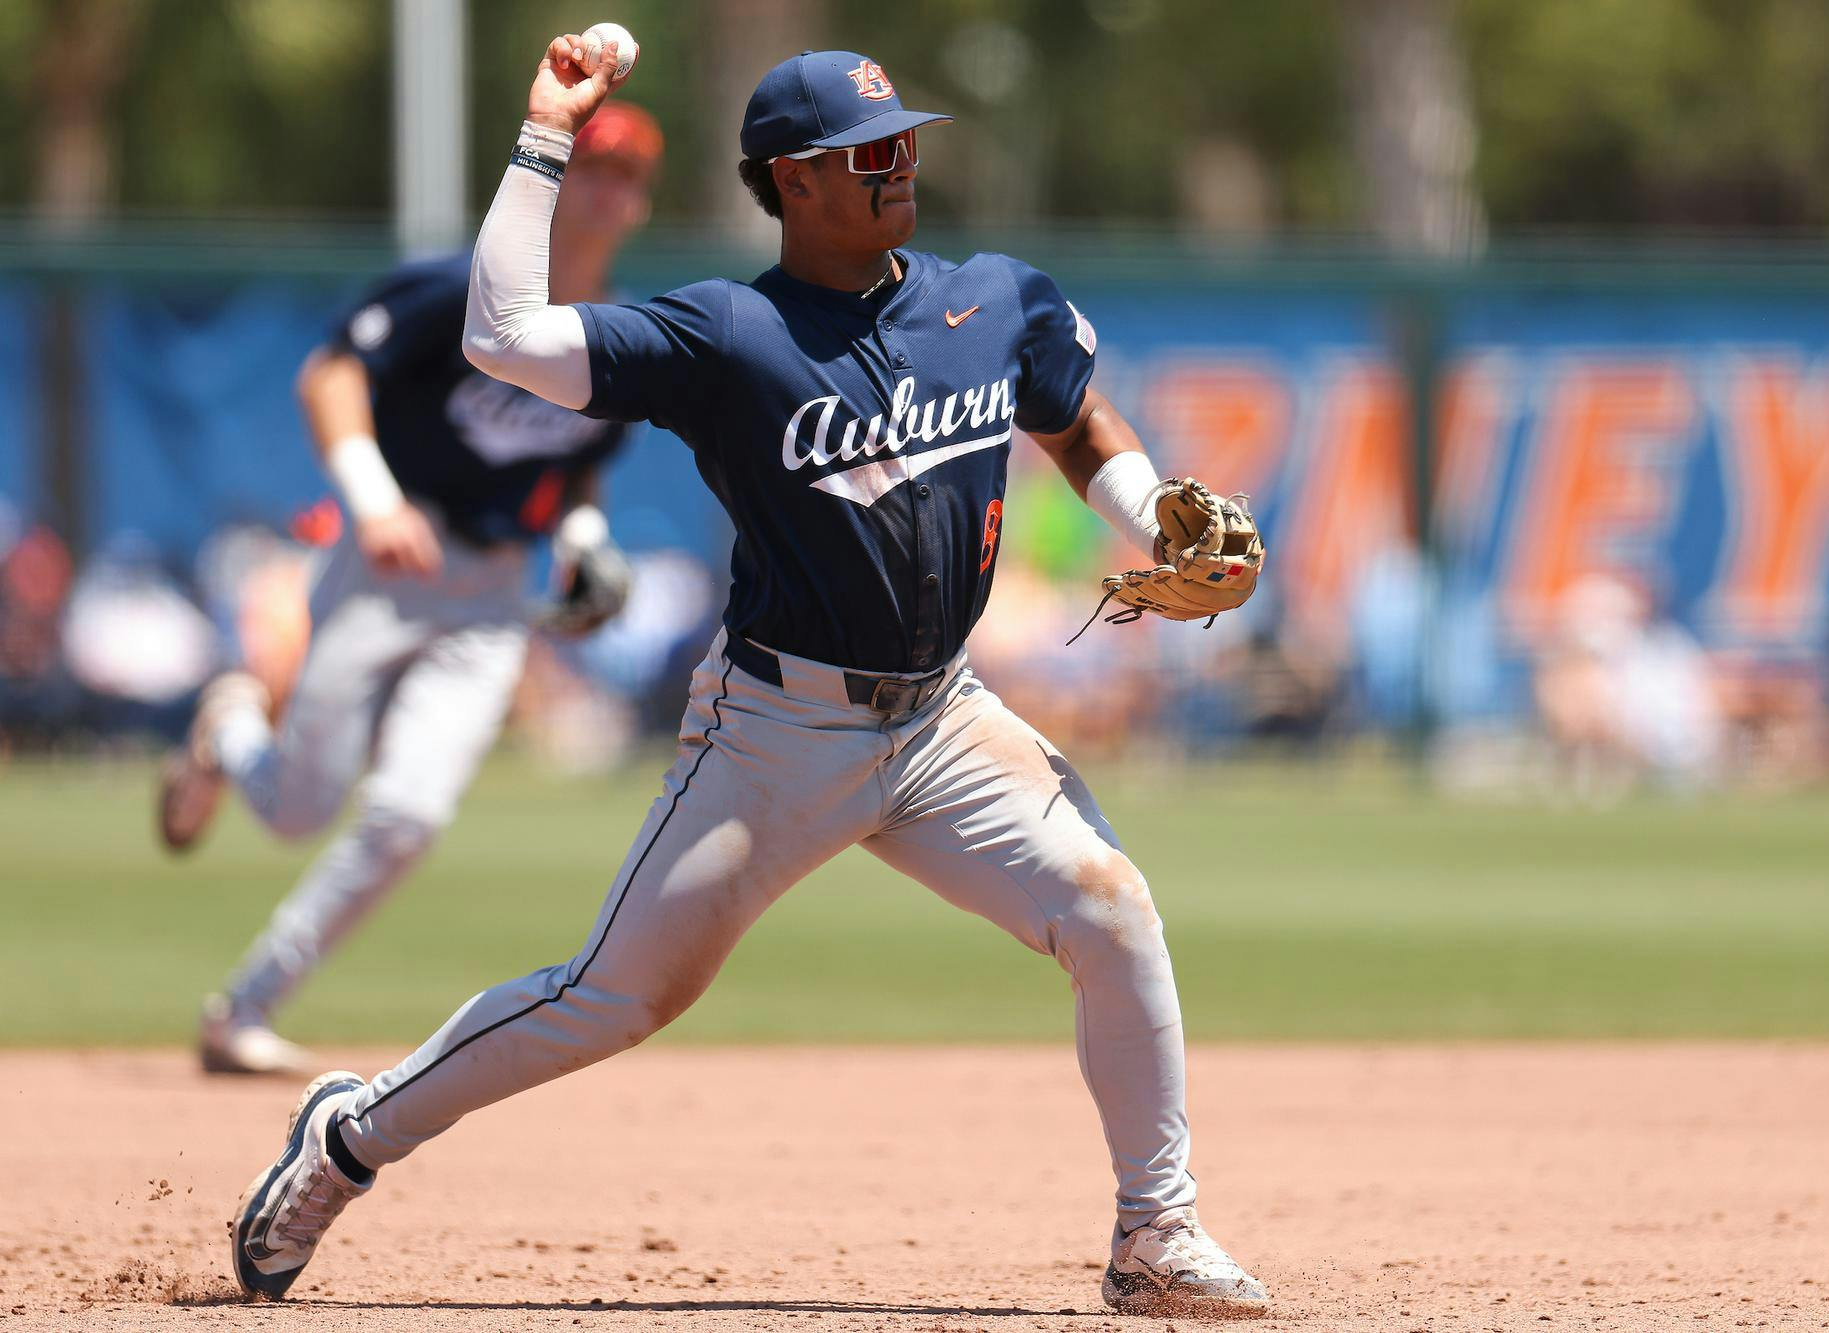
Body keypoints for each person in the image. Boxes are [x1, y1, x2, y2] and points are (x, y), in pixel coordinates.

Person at [228, 38, 1269, 1317]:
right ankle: (351, 1135)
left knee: (1110, 906)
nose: (900, 167)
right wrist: (546, 135)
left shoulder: (993, 296)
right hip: (776, 729)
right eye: (867, 153)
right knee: (612, 998)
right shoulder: (727, 333)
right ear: (791, 179)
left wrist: (1149, 511)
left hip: (942, 719)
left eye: (906, 143)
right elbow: (501, 336)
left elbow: (1071, 417)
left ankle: (1154, 1233)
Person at [158, 103, 666, 1076]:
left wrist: (585, 536)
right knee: (299, 807)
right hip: (390, 561)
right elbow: (330, 373)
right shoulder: (460, 287)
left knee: (409, 816)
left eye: (628, 175)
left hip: (491, 593)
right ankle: (230, 730)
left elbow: (578, 460)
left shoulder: (616, 331)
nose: (608, 189)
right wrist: (374, 497)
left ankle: (242, 1010)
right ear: (556, 184)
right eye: (593, 167)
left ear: (641, 201)